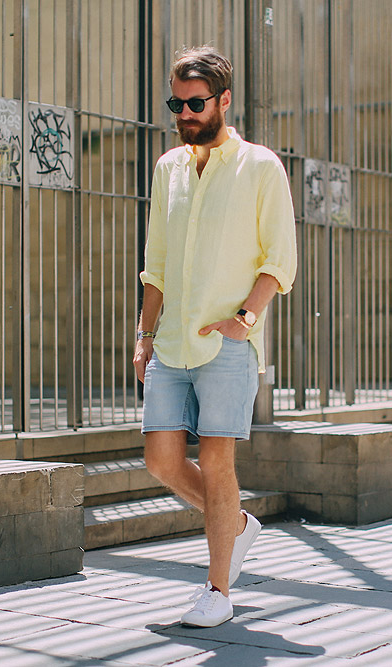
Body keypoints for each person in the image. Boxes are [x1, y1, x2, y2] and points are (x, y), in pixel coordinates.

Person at [132, 45, 297, 628]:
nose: (184, 113)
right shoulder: (167, 168)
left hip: (227, 343)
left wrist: (245, 320)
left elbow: (280, 259)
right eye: (175, 103)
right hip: (170, 342)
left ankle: (218, 590)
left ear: (224, 100)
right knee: (161, 460)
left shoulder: (260, 167)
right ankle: (238, 524)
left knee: (218, 463)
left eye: (195, 103)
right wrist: (144, 333)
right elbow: (156, 263)